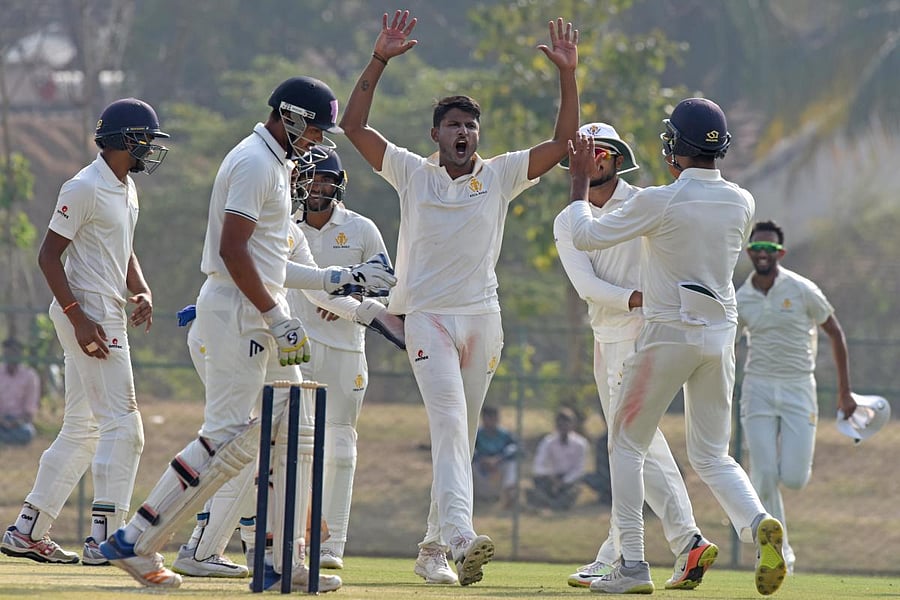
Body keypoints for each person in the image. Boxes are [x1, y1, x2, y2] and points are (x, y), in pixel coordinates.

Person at [99, 77, 395, 590]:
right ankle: (136, 539)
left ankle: (283, 561)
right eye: (316, 130)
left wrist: (335, 278)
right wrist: (276, 317)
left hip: (257, 304)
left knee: (296, 430)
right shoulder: (255, 163)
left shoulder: (276, 165)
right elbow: (234, 251)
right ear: (292, 117)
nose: (319, 142)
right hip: (239, 309)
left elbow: (272, 260)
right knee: (226, 435)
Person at [339, 8, 579, 586]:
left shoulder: (498, 175)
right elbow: (353, 126)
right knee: (448, 425)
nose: (463, 133)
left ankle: (430, 551)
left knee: (461, 437)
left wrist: (568, 75)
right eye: (453, 125)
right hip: (427, 319)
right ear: (436, 135)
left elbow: (565, 144)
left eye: (471, 126)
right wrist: (378, 60)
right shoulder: (412, 173)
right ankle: (463, 537)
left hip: (483, 320)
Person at [560, 98, 786, 596]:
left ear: (672, 147)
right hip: (719, 338)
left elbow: (583, 235)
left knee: (625, 446)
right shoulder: (742, 202)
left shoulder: (658, 200)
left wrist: (579, 181)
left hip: (667, 334)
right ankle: (758, 523)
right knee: (712, 455)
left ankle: (633, 567)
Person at [1, 99, 168, 567]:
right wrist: (78, 318)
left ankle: (27, 531)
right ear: (122, 141)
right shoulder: (85, 185)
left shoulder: (125, 187)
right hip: (89, 315)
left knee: (81, 429)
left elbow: (122, 249)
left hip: (105, 312)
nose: (150, 149)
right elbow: (48, 256)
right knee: (126, 425)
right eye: (145, 140)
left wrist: (142, 290)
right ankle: (106, 538)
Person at [554, 123, 718, 590]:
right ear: (576, 163)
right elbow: (587, 287)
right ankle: (619, 552)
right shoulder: (569, 218)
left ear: (619, 158)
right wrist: (642, 298)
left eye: (603, 150)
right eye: (587, 152)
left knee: (632, 444)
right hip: (609, 338)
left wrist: (655, 303)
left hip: (645, 337)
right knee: (632, 447)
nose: (596, 158)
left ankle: (683, 541)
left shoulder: (645, 201)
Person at [736, 219, 858, 576]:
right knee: (762, 472)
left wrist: (844, 391)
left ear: (781, 253)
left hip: (797, 387)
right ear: (749, 252)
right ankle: (780, 553)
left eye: (770, 249)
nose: (762, 253)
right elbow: (725, 342)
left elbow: (835, 333)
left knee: (792, 478)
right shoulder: (740, 298)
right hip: (757, 387)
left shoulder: (802, 289)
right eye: (757, 248)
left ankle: (780, 548)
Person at [525, 407, 588, 512]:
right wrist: (551, 478)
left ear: (573, 425)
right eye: (560, 424)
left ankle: (550, 503)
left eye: (566, 424)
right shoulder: (548, 442)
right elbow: (538, 465)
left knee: (575, 489)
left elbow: (579, 469)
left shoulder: (580, 444)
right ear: (556, 425)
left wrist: (563, 481)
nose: (563, 427)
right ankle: (556, 504)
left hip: (569, 480)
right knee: (535, 484)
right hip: (550, 478)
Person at [472, 405, 519, 508]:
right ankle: (470, 497)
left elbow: (515, 448)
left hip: (499, 468)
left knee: (512, 464)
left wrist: (498, 459)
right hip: (481, 470)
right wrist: (483, 460)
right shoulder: (476, 434)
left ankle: (508, 495)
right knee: (468, 465)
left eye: (494, 417)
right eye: (488, 417)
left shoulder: (505, 434)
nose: (491, 421)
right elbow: (470, 451)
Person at [0, 337, 40, 446]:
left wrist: (15, 422)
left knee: (27, 433)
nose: (11, 356)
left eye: (14, 353)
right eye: (8, 353)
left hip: (19, 423)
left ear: (20, 354)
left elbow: (30, 411)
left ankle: (5, 441)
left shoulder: (29, 376)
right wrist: (2, 420)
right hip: (1, 420)